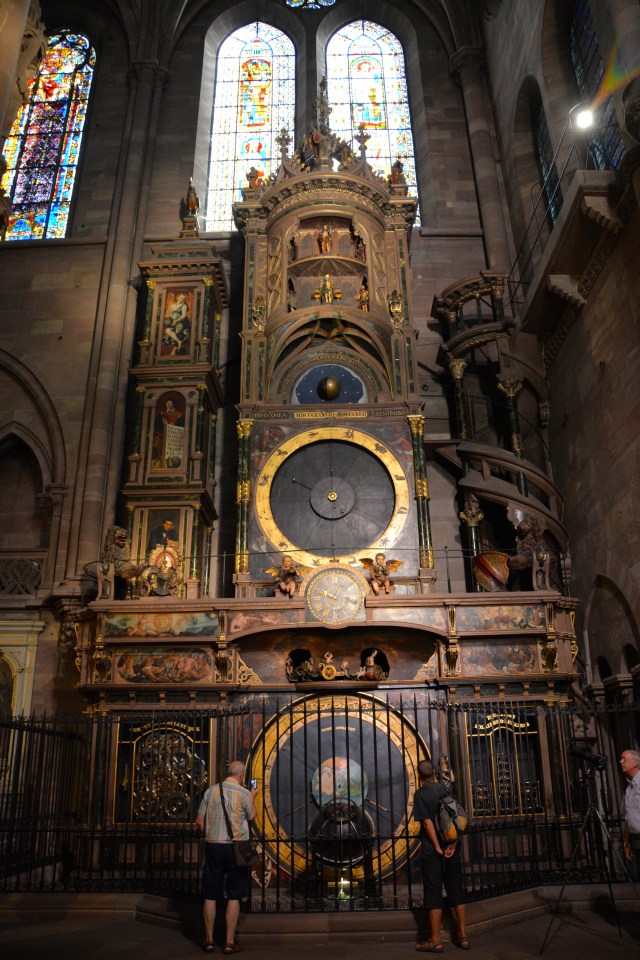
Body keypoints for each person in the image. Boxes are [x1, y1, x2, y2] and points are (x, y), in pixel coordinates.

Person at [195, 760, 257, 954]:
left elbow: (199, 820)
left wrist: (210, 835)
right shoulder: (245, 793)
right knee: (234, 894)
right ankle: (229, 942)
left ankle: (209, 940)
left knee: (210, 894)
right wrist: (253, 796)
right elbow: (252, 817)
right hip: (235, 848)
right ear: (241, 776)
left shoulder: (211, 791)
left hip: (213, 846)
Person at [413, 759, 469, 953]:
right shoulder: (444, 789)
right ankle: (462, 937)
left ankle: (436, 940)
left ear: (418, 775)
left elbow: (428, 824)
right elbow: (456, 818)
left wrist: (437, 847)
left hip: (432, 851)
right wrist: (451, 845)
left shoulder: (420, 794)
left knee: (433, 893)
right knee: (456, 890)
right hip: (452, 849)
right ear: (434, 773)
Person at [621, 749, 640, 880]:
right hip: (636, 839)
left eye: (624, 759)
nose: (621, 762)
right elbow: (628, 816)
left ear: (635, 762)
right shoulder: (628, 787)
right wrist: (626, 842)